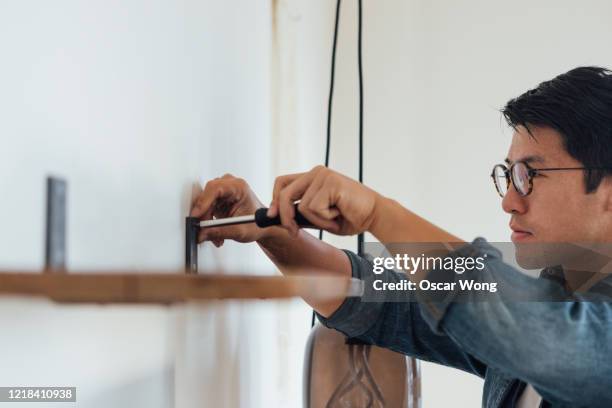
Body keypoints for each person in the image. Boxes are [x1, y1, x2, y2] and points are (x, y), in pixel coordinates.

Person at [190, 66, 612, 407]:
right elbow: (383, 303)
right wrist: (272, 232)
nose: (510, 202)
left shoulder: (552, 329)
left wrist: (378, 212)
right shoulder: (547, 304)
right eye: (509, 176)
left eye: (530, 175)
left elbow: (541, 336)